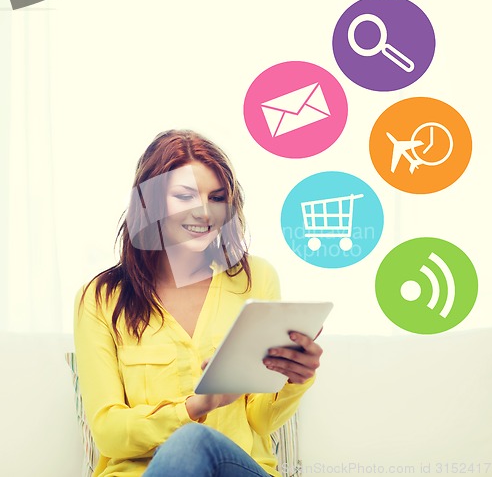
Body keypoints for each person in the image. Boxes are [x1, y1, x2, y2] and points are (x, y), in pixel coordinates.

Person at [74, 129, 323, 477]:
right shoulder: (100, 298)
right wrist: (195, 408)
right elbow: (109, 435)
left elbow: (261, 420)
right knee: (188, 440)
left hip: (235, 468)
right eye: (185, 195)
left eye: (217, 198)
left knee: (194, 442)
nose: (204, 213)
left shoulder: (255, 279)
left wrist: (296, 379)